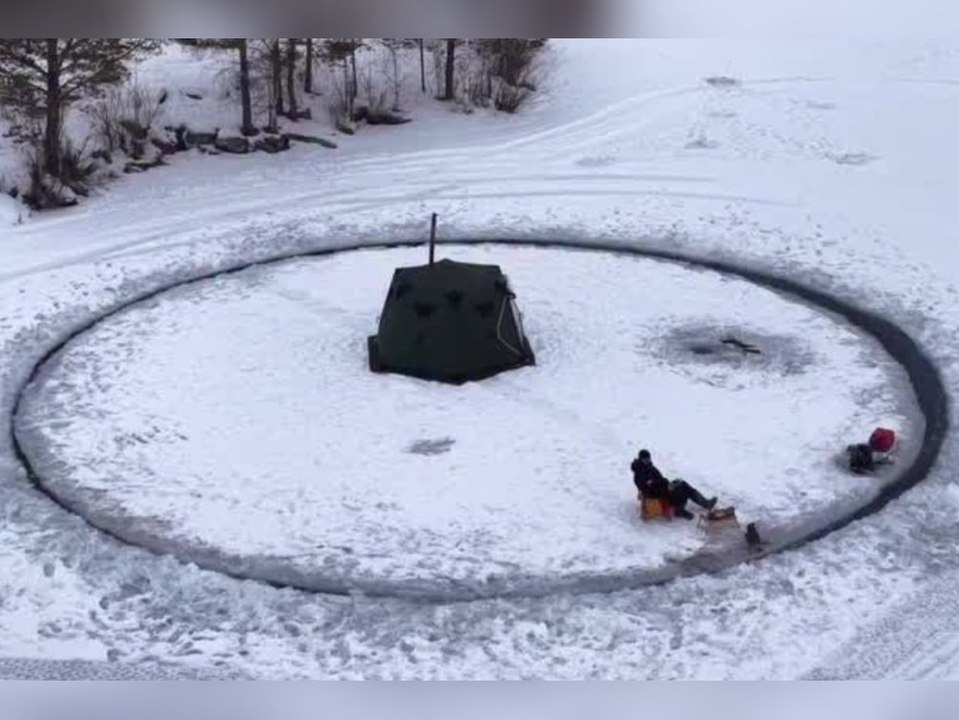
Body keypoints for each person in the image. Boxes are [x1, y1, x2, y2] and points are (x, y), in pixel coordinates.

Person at [631, 449, 718, 520]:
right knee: (680, 491)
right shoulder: (639, 473)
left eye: (648, 459)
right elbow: (646, 488)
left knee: (682, 483)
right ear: (640, 459)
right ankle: (678, 510)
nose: (648, 461)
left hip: (663, 487)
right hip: (658, 494)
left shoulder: (650, 467)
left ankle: (706, 503)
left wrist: (666, 484)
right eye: (645, 459)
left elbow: (659, 478)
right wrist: (663, 486)